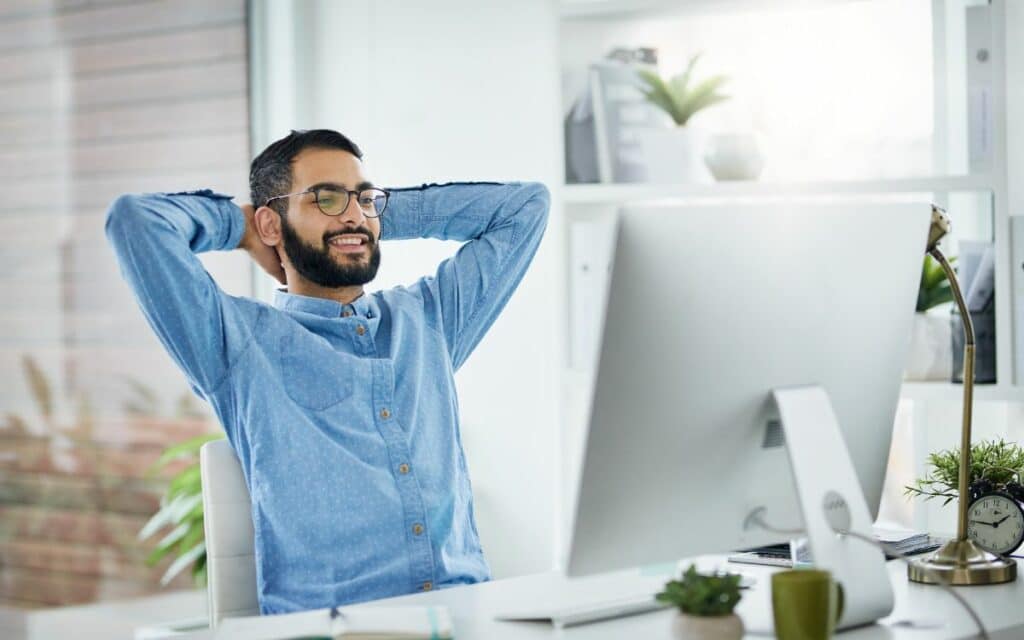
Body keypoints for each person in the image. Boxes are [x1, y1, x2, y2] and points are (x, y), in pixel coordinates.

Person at [105, 129, 549, 614]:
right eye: (326, 198)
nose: (354, 213)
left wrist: (364, 216)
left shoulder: (429, 320)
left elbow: (526, 207)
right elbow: (136, 223)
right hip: (334, 627)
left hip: (468, 614)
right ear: (272, 225)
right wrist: (241, 225)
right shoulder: (236, 344)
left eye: (362, 198)